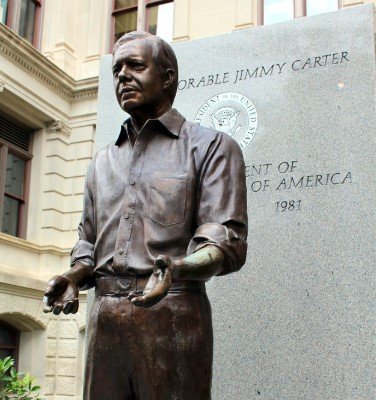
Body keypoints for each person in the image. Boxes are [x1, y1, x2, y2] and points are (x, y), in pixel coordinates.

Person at [43, 31, 248, 400]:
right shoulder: (102, 162)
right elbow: (88, 243)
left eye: (135, 65)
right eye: (116, 70)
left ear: (167, 77)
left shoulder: (212, 147)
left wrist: (177, 269)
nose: (123, 76)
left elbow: (225, 243)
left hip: (173, 318)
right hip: (104, 321)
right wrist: (73, 276)